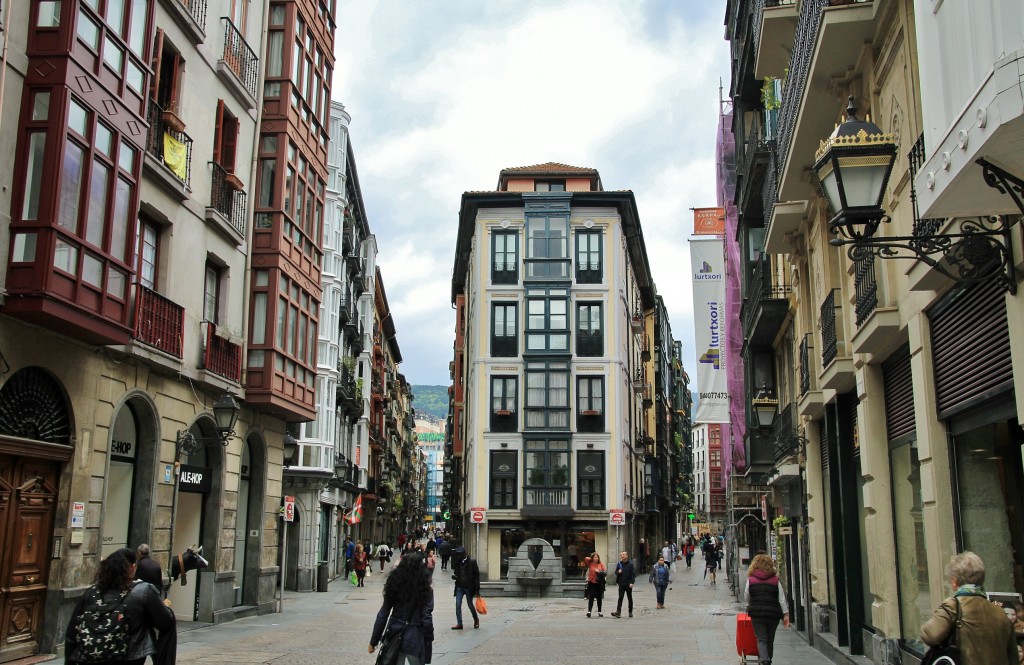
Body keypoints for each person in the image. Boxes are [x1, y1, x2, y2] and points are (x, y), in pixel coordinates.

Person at [65, 547, 176, 665]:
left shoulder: (90, 592)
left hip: (88, 657)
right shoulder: (144, 590)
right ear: (133, 567)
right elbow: (166, 621)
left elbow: (71, 634)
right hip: (128, 657)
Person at [921, 551, 1016, 665]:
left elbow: (929, 635)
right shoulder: (1001, 613)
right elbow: (1013, 658)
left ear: (955, 582)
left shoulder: (953, 606)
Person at [368, 551, 434, 665]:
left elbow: (383, 614)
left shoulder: (394, 585)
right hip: (415, 638)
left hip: (395, 634)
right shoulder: (425, 589)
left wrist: (374, 641)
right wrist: (428, 639)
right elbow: (426, 617)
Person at [744, 554, 789, 665]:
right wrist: (785, 614)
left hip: (757, 614)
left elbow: (747, 595)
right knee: (770, 639)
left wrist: (751, 604)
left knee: (761, 639)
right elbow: (781, 598)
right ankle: (768, 659)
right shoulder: (775, 580)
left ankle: (765, 660)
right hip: (773, 615)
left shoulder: (751, 580)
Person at [450, 546, 480, 630]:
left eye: (459, 554)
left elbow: (476, 576)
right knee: (458, 605)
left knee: (470, 605)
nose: (458, 556)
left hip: (468, 587)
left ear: (464, 554)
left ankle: (476, 619)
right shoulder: (458, 562)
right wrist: (455, 577)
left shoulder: (472, 562)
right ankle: (459, 623)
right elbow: (456, 573)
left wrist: (477, 589)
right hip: (459, 586)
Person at [610, 551, 636, 618]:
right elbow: (616, 572)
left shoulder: (630, 564)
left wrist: (632, 582)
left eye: (624, 555)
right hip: (621, 583)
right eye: (621, 555)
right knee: (620, 598)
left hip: (628, 584)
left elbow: (633, 574)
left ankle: (630, 611)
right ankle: (618, 612)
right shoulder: (619, 564)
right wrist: (618, 572)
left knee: (629, 598)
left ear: (627, 556)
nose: (622, 556)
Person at [583, 552, 607, 617]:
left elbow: (605, 572)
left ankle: (599, 611)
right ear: (593, 558)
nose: (596, 558)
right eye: (595, 557)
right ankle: (589, 611)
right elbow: (586, 559)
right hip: (592, 583)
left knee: (599, 598)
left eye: (597, 557)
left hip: (599, 583)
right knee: (591, 597)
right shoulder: (590, 563)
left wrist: (598, 571)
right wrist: (592, 557)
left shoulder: (601, 564)